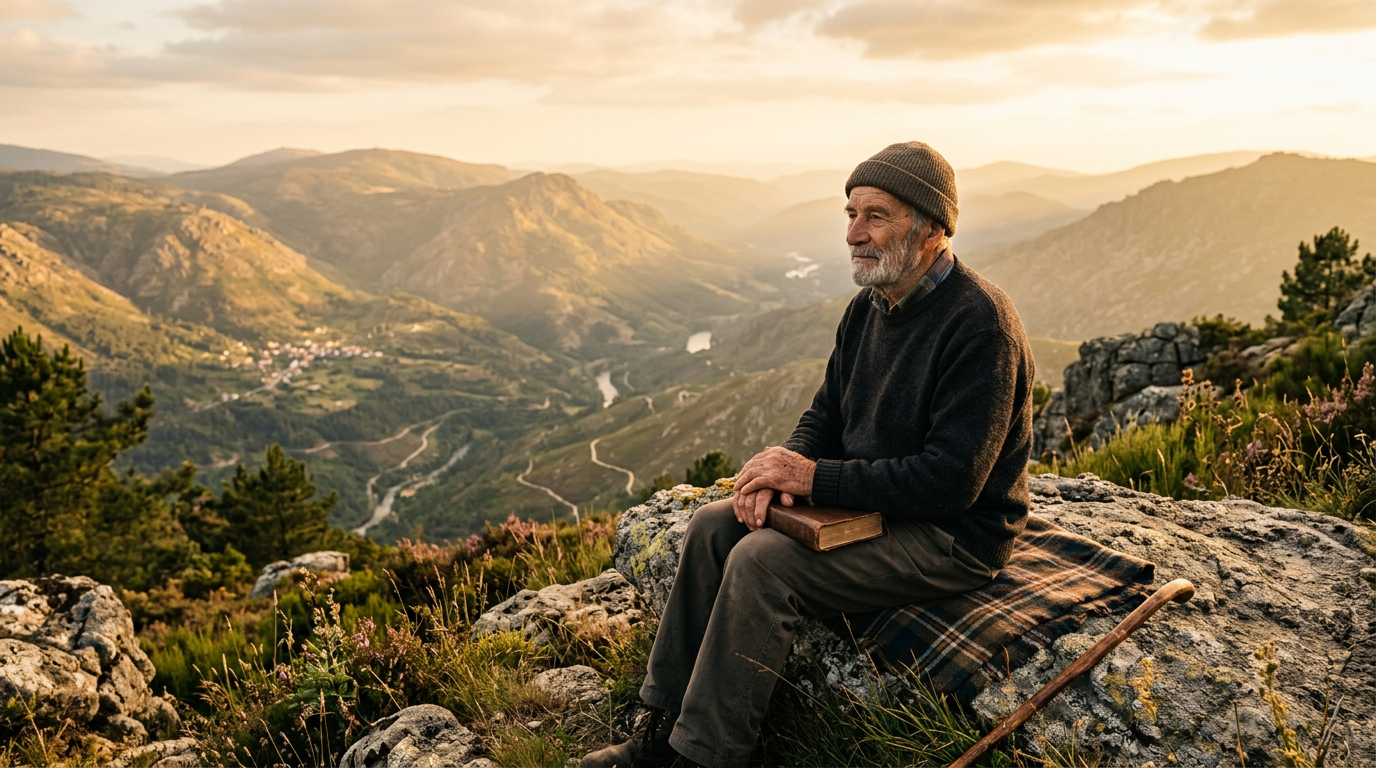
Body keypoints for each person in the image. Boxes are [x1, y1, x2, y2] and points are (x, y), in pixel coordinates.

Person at [581, 142, 1035, 768]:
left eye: (875, 216)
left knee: (766, 562)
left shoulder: (981, 325)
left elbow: (951, 482)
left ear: (930, 227)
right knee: (716, 524)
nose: (854, 234)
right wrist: (781, 473)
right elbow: (826, 415)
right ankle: (660, 722)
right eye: (850, 214)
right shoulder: (870, 309)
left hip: (950, 536)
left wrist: (814, 478)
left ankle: (704, 757)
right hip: (880, 510)